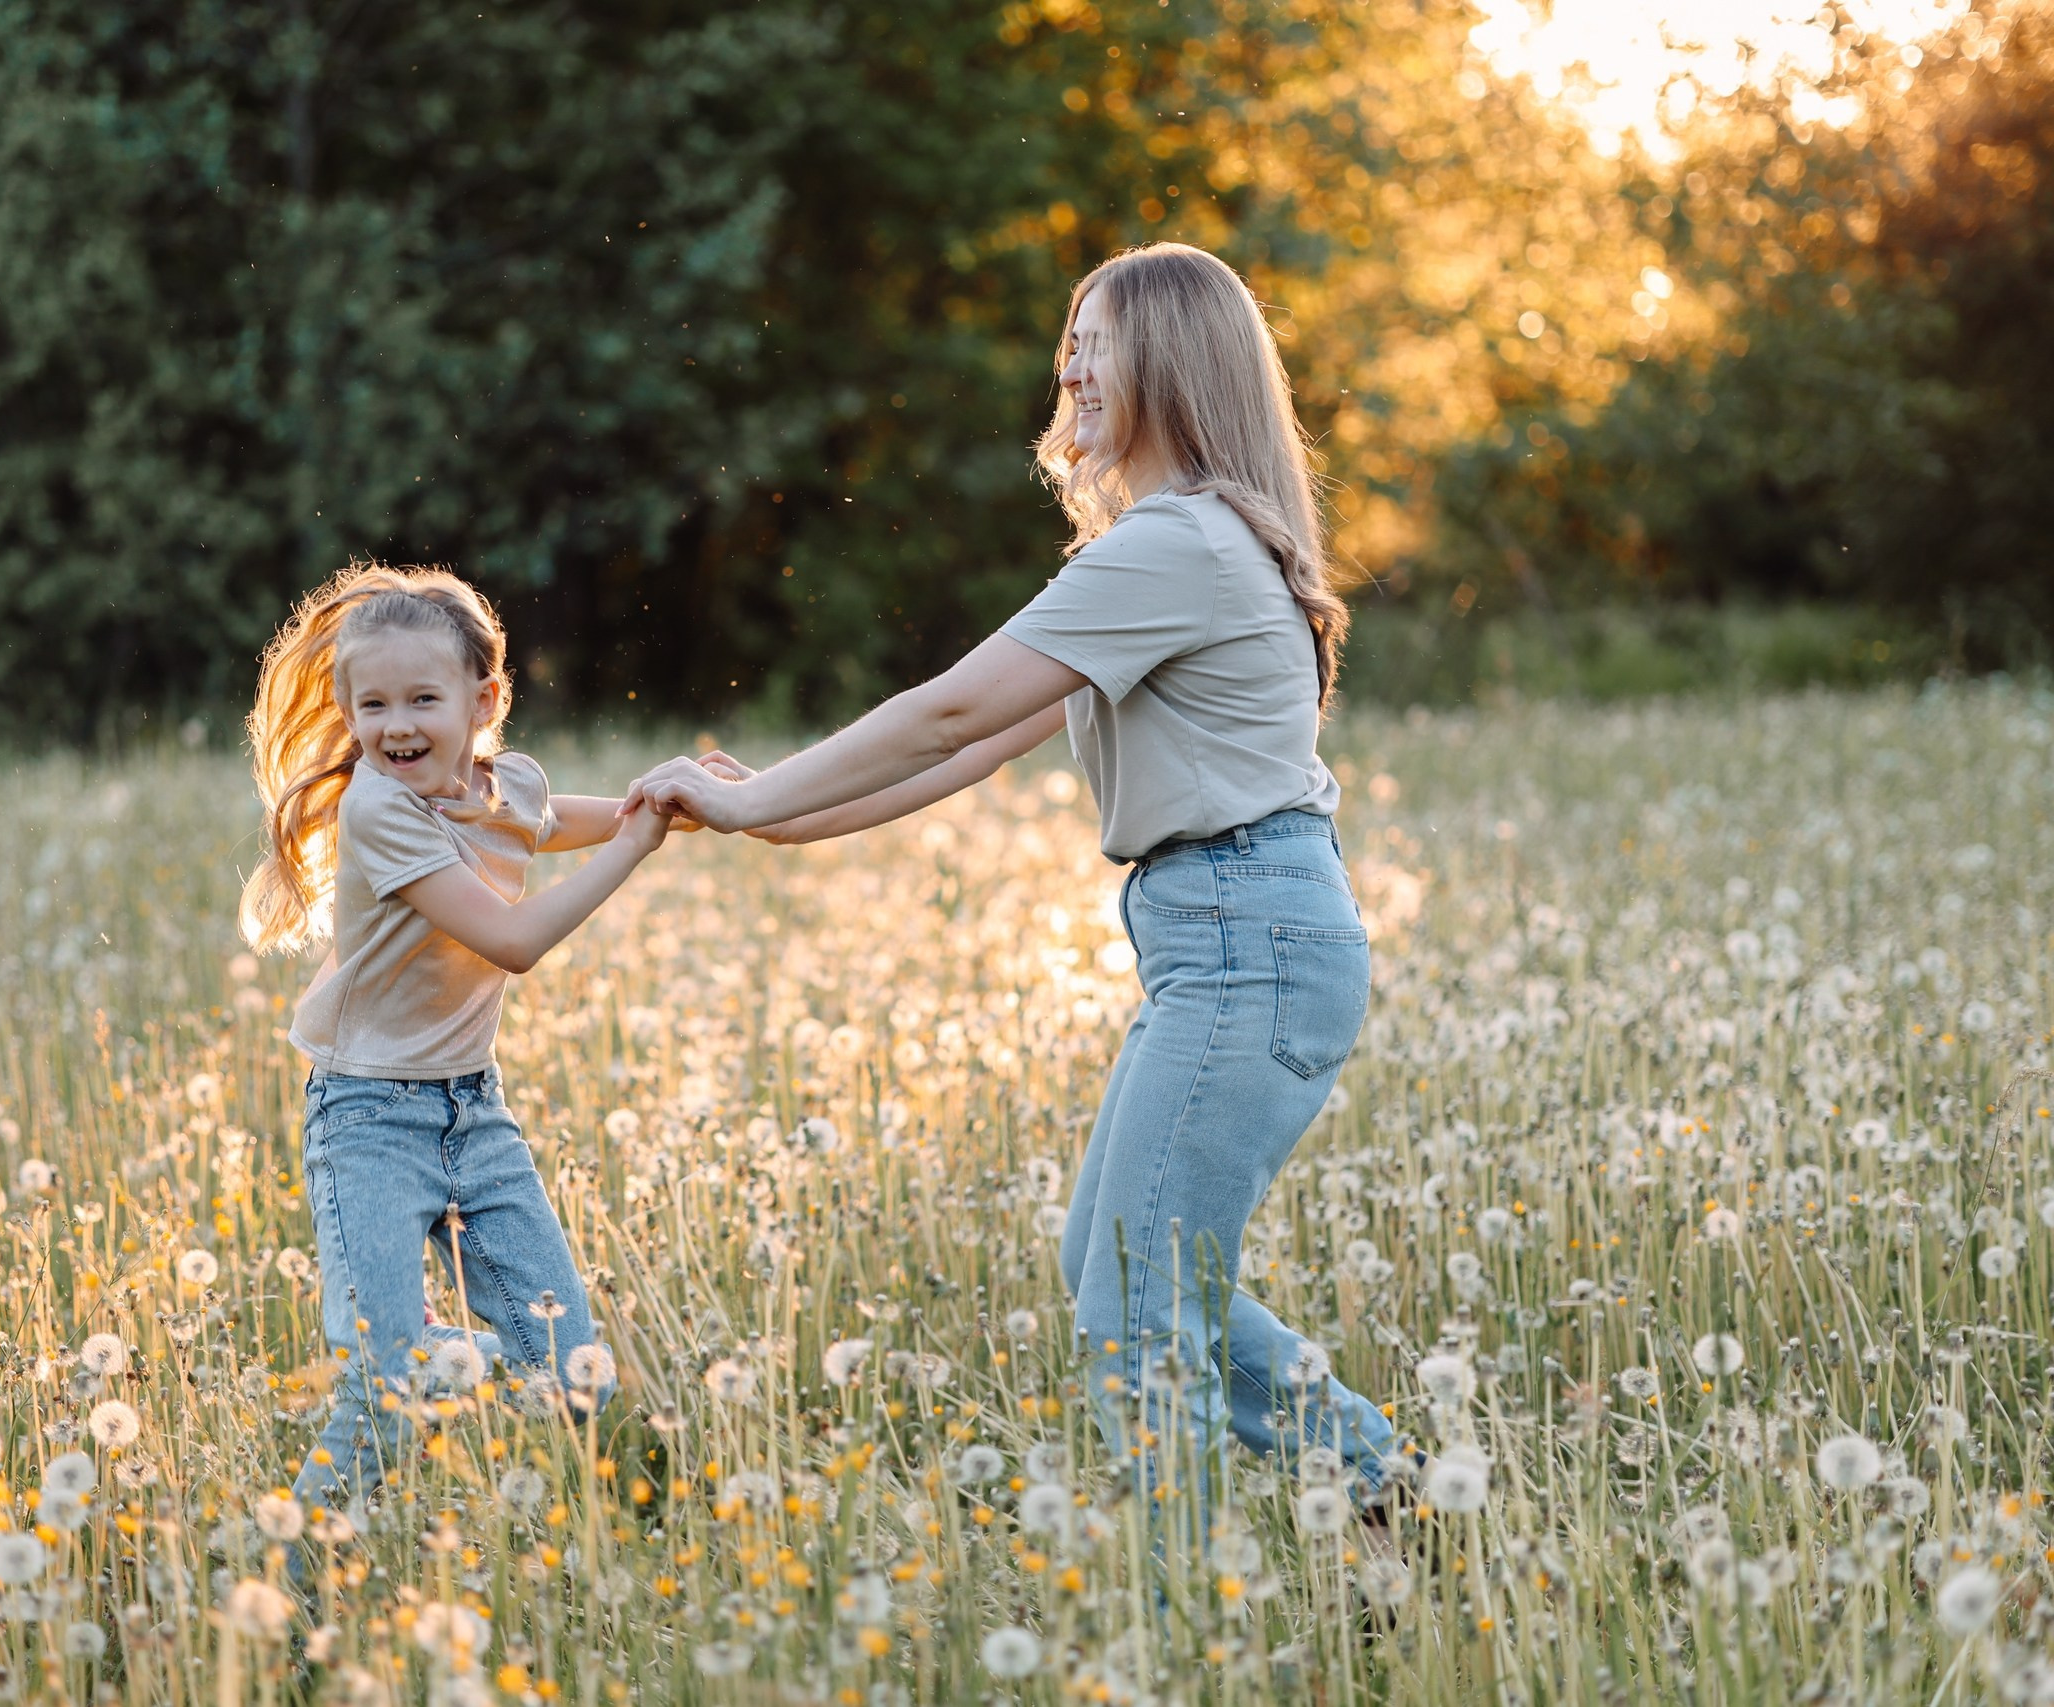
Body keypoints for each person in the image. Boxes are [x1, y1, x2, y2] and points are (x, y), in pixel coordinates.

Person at [623, 243, 1401, 1516]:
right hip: (1235, 933)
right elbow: (974, 749)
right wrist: (768, 819)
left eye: (1097, 341)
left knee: (1136, 1309)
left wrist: (755, 795)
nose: (1072, 366)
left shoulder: (1178, 546)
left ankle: (1188, 1619)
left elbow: (943, 712)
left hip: (1243, 936)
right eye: (1070, 342)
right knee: (1121, 1272)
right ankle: (1391, 1496)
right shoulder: (1186, 545)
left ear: (1175, 360)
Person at [239, 563, 678, 1535]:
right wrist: (633, 850)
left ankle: (653, 1553)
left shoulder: (500, 782)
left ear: (484, 702)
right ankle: (284, 1607)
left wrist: (669, 802)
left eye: (423, 699)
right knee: (379, 1393)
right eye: (373, 704)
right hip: (367, 1120)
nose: (396, 725)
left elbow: (552, 820)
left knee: (575, 1371)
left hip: (473, 1114)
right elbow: (512, 941)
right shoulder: (379, 808)